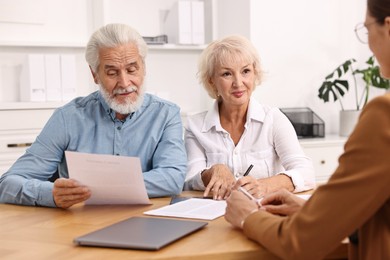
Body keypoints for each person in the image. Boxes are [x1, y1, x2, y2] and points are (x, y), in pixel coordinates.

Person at [225, 0, 390, 259]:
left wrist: (250, 217)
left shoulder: (384, 115)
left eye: (367, 29)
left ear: (388, 29)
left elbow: (301, 243)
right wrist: (309, 211)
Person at [0, 24, 187, 209]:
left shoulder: (166, 114)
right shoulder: (68, 118)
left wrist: (98, 185)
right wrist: (51, 194)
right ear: (95, 74)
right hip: (77, 224)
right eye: (112, 73)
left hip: (146, 222)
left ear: (143, 68)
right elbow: (7, 183)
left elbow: (172, 178)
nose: (124, 82)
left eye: (131, 70)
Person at [184, 35, 315, 200]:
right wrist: (212, 171)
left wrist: (264, 185)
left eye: (245, 71)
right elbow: (189, 180)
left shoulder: (273, 119)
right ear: (212, 81)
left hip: (265, 213)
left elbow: (306, 172)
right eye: (226, 74)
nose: (238, 83)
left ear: (255, 73)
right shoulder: (195, 127)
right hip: (215, 215)